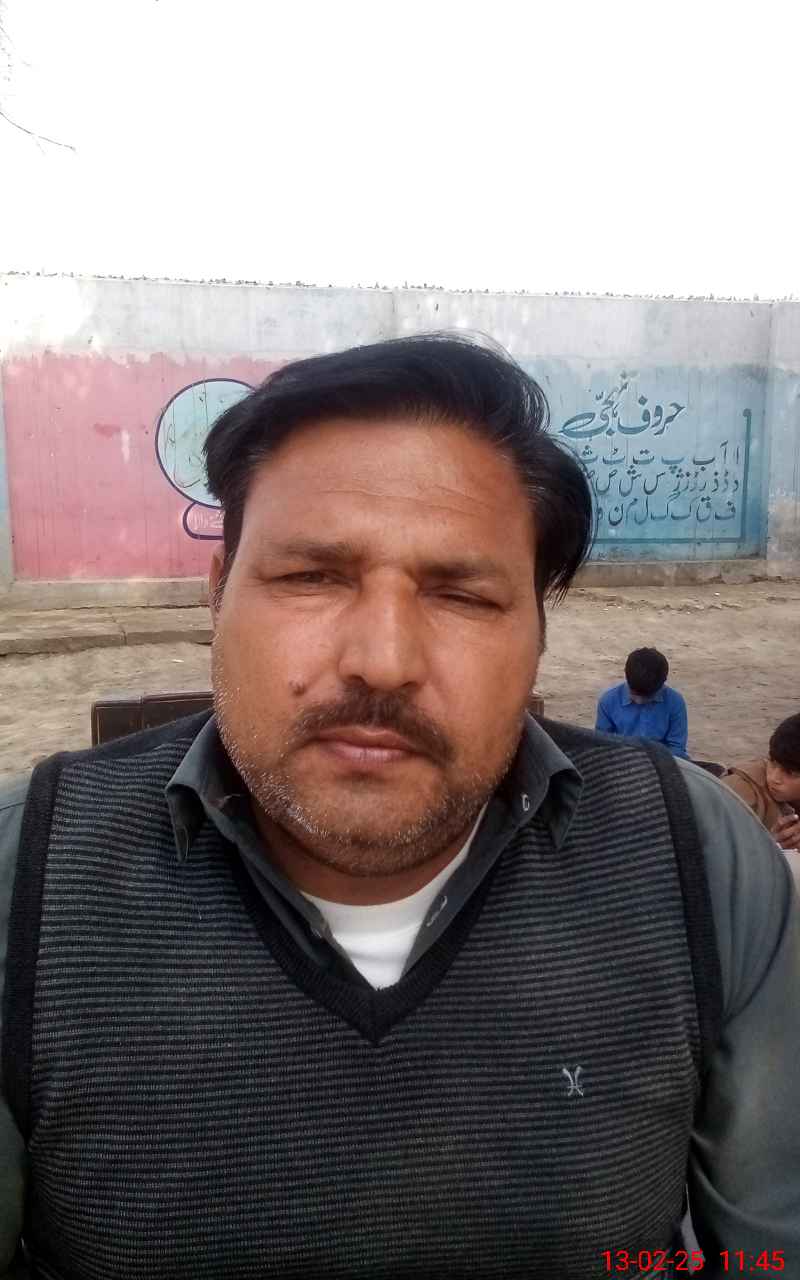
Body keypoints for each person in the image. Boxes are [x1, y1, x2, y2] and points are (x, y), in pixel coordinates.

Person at [0, 334, 798, 1279]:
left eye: (461, 595)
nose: (382, 661)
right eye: (312, 577)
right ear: (218, 596)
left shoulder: (701, 861)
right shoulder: (26, 878)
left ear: (539, 632)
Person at [721, 712, 800, 854]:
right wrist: (770, 846)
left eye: (790, 773)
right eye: (773, 763)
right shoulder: (738, 793)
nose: (774, 778)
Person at [595, 647, 689, 758]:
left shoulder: (675, 702)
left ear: (663, 683)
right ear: (626, 677)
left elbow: (677, 748)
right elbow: (601, 745)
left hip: (662, 762)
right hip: (620, 760)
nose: (639, 701)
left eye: (648, 697)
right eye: (634, 695)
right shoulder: (608, 701)